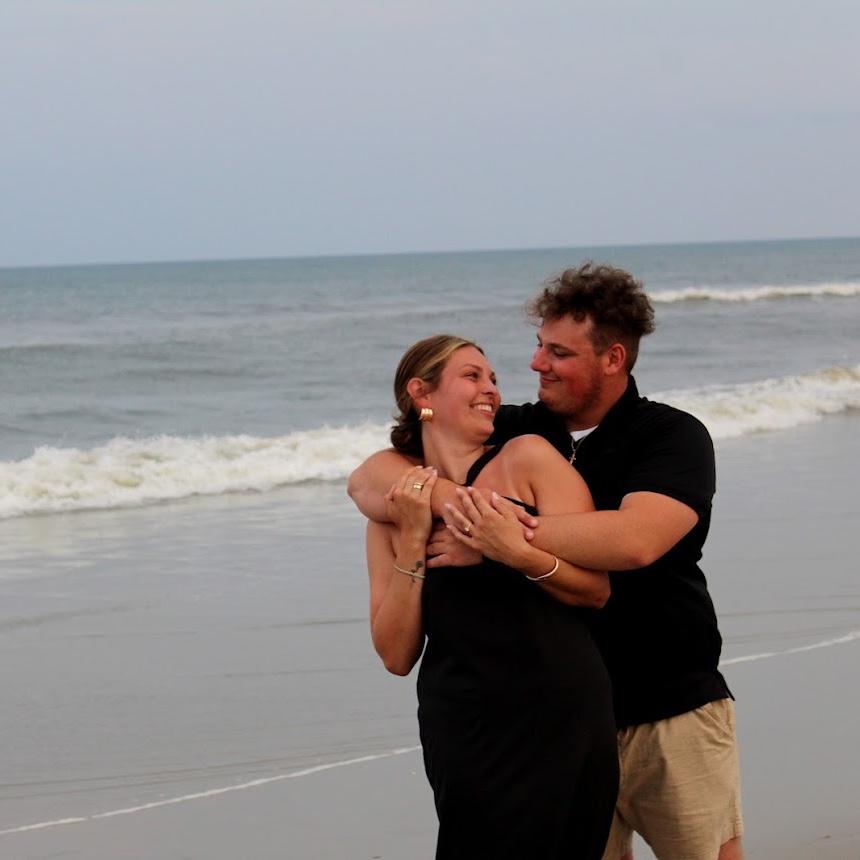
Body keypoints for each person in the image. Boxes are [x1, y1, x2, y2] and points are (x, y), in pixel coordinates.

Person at [349, 265, 744, 860]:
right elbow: (370, 476)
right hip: (544, 719)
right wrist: (455, 505)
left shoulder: (671, 436)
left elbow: (635, 540)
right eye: (539, 346)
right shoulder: (517, 427)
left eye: (558, 353)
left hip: (667, 703)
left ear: (612, 359)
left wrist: (497, 536)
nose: (536, 365)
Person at [366, 334, 618, 860]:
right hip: (464, 723)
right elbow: (395, 655)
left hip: (559, 708)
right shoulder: (394, 510)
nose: (492, 390)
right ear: (421, 393)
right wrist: (412, 539)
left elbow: (596, 590)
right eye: (472, 376)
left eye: (494, 379)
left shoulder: (529, 458)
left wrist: (510, 551)